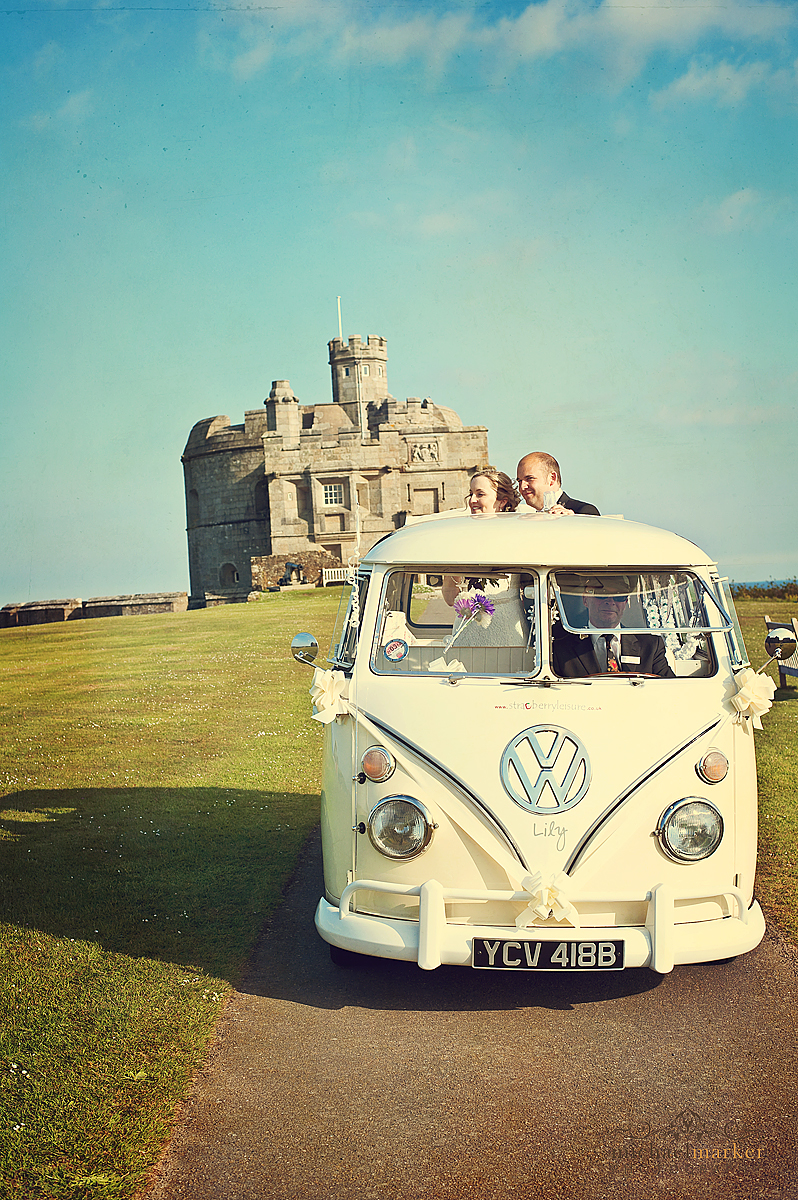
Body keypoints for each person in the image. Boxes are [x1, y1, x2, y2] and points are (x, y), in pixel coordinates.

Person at [441, 469, 527, 648]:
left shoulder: (519, 535)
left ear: (502, 501)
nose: (472, 500)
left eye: (480, 494)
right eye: (471, 494)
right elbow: (450, 599)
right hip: (467, 626)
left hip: (507, 626)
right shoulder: (459, 538)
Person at [552, 579, 674, 678]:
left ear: (625, 603)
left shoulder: (651, 646)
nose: (610, 601)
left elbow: (670, 689)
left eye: (618, 596)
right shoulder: (561, 649)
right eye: (602, 594)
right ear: (585, 599)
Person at [516, 452, 599, 515]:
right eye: (519, 481)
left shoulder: (584, 512)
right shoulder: (528, 520)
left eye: (530, 478)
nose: (522, 487)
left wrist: (572, 522)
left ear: (552, 478)